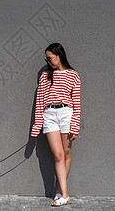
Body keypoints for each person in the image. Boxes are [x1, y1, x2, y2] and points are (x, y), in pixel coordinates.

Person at [31, 43, 81, 207]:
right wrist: (37, 126)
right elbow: (39, 102)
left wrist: (75, 126)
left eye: (50, 58)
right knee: (58, 155)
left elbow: (77, 103)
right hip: (50, 115)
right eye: (47, 59)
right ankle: (65, 195)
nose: (48, 61)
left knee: (66, 155)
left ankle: (60, 192)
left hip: (67, 114)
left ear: (59, 55)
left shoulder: (73, 75)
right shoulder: (45, 75)